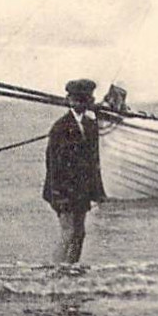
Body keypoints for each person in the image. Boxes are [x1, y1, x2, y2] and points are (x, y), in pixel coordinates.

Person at [43, 79, 108, 264]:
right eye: (76, 99)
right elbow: (53, 165)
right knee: (68, 232)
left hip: (81, 191)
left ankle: (71, 269)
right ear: (69, 100)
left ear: (89, 100)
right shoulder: (60, 127)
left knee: (80, 234)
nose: (80, 103)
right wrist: (58, 195)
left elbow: (93, 162)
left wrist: (98, 192)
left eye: (84, 99)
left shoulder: (90, 125)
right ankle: (58, 269)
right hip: (62, 191)